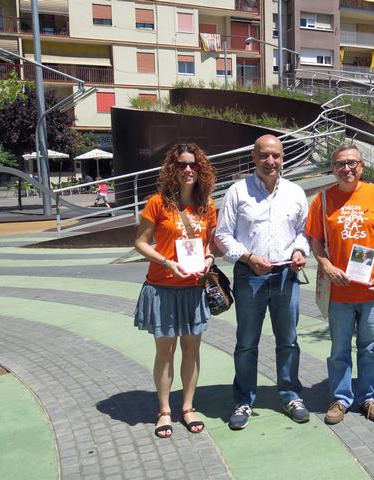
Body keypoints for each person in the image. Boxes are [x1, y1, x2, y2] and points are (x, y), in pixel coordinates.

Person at [215, 134, 310, 430]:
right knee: (246, 342)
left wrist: (299, 251)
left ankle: (291, 394)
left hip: (285, 276)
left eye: (276, 155)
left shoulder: (295, 192)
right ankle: (243, 400)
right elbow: (222, 235)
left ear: (282, 158)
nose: (270, 161)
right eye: (264, 155)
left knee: (288, 340)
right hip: (249, 276)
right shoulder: (237, 191)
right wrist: (247, 257)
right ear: (254, 158)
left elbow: (303, 232)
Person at [133, 143, 217, 438]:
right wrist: (167, 262)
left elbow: (209, 243)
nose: (188, 169)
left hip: (193, 288)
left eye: (193, 164)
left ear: (201, 169)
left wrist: (209, 258)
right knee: (165, 352)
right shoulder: (157, 203)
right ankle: (164, 410)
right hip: (163, 287)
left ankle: (188, 407)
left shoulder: (207, 205)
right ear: (172, 169)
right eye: (181, 164)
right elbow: (140, 242)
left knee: (191, 351)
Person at [306, 145, 374, 425]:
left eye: (352, 162)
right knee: (339, 349)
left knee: (370, 347)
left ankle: (369, 398)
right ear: (332, 168)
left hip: (371, 289)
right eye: (340, 164)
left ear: (362, 166)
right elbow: (315, 240)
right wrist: (327, 266)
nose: (347, 168)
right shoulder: (322, 200)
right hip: (339, 291)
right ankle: (341, 399)